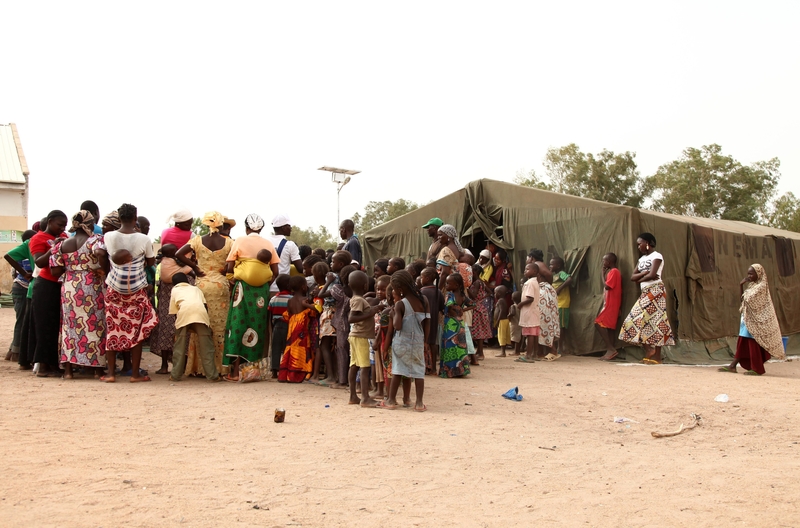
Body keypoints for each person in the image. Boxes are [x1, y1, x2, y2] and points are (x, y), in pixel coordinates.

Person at [99, 203, 158, 382]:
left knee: (113, 328)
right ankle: (134, 374)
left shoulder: (108, 236)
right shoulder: (143, 239)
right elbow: (150, 262)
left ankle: (110, 374)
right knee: (137, 331)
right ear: (135, 218)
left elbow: (102, 255)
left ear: (119, 218)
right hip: (136, 289)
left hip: (114, 288)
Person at [49, 211, 107, 379]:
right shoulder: (95, 240)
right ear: (90, 224)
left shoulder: (61, 244)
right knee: (95, 325)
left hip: (69, 287)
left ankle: (68, 371)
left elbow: (55, 271)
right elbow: (102, 254)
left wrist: (72, 268)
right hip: (91, 285)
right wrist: (103, 269)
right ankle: (97, 369)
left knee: (69, 327)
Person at [176, 211, 234, 376]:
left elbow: (178, 254)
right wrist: (224, 270)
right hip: (220, 286)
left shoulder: (197, 241)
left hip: (201, 285)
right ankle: (220, 367)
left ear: (206, 224)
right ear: (221, 224)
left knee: (201, 324)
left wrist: (195, 267)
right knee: (220, 327)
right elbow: (232, 263)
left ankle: (200, 367)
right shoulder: (229, 242)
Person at [222, 214, 279, 381]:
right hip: (260, 292)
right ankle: (252, 372)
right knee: (257, 327)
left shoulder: (239, 241)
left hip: (242, 289)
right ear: (261, 228)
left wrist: (232, 280)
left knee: (238, 325)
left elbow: (230, 266)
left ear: (247, 228)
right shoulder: (268, 244)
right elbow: (275, 272)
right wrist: (264, 283)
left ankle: (234, 373)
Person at [619, 233, 675, 364]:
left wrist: (642, 277)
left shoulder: (657, 256)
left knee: (658, 320)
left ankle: (657, 356)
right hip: (645, 291)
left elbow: (653, 274)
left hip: (656, 290)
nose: (638, 246)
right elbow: (633, 277)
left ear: (648, 243)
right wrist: (644, 274)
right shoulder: (641, 259)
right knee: (634, 320)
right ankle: (650, 350)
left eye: (640, 243)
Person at [719, 264, 785, 375]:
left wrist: (745, 292)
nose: (749, 276)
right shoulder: (752, 285)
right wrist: (741, 286)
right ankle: (733, 366)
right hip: (747, 319)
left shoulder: (761, 286)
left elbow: (750, 300)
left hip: (755, 321)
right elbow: (743, 300)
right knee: (743, 343)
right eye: (748, 273)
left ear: (758, 274)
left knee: (751, 343)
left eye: (751, 273)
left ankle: (757, 368)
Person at [379, 270, 429, 411]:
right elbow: (427, 323)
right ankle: (419, 403)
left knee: (398, 371)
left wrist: (394, 313)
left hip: (401, 343)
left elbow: (398, 326)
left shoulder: (400, 304)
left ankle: (390, 401)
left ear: (399, 289)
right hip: (419, 341)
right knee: (419, 372)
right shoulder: (423, 300)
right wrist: (425, 342)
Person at [27, 210, 69, 377]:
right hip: (45, 286)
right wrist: (53, 249)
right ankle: (43, 366)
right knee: (44, 326)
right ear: (50, 221)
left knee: (55, 328)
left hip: (60, 285)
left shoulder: (64, 236)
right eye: (59, 224)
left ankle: (53, 364)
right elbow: (39, 261)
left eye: (64, 225)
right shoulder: (38, 238)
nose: (62, 228)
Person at [149, 243, 195, 374]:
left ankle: (165, 366)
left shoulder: (163, 264)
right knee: (184, 330)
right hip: (178, 304)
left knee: (167, 331)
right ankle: (183, 367)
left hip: (166, 304)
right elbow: (192, 272)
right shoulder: (180, 266)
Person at [167, 272, 221, 382]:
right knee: (207, 347)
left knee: (179, 348)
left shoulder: (175, 290)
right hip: (200, 315)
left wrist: (178, 329)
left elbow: (174, 311)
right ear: (187, 281)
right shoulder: (196, 289)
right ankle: (212, 376)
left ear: (174, 283)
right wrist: (207, 325)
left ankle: (175, 375)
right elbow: (204, 305)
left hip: (183, 314)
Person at [347, 270, 380, 406]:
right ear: (366, 286)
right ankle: (365, 398)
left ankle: (353, 396)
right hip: (360, 337)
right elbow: (352, 318)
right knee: (365, 367)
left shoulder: (356, 299)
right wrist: (372, 311)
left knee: (354, 365)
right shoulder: (359, 300)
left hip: (356, 336)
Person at [278, 275, 319, 383]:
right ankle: (300, 371)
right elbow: (314, 312)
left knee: (290, 347)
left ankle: (286, 373)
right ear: (303, 287)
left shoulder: (290, 301)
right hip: (302, 329)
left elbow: (288, 315)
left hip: (291, 329)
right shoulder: (305, 300)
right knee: (302, 348)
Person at [4, 230, 35, 362]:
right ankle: (16, 352)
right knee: (22, 320)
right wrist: (26, 274)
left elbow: (13, 274)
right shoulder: (28, 256)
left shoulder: (20, 254)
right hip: (23, 289)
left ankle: (12, 350)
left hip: (17, 287)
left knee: (21, 320)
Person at [440, 273, 472, 378]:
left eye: (449, 283)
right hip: (460, 323)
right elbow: (473, 304)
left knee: (449, 347)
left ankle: (449, 371)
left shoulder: (449, 295)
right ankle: (460, 371)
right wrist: (461, 309)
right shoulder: (463, 296)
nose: (446, 285)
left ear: (457, 285)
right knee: (460, 347)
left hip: (450, 324)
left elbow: (447, 307)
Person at [529, 249, 560, 358]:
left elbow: (548, 274)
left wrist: (546, 285)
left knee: (543, 322)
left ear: (532, 258)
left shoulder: (537, 264)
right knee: (541, 322)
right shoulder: (538, 265)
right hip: (544, 292)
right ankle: (540, 352)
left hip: (544, 294)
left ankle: (553, 351)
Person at [596, 253, 623, 361]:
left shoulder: (614, 272)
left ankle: (611, 349)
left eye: (604, 261)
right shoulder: (614, 272)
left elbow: (607, 286)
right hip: (611, 303)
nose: (603, 263)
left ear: (609, 262)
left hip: (611, 304)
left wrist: (602, 274)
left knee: (598, 323)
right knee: (610, 328)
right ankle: (610, 352)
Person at [267, 215, 303, 293]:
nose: (291, 228)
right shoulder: (290, 245)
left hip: (265, 287)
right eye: (289, 226)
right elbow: (300, 268)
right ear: (283, 227)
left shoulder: (264, 242)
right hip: (281, 289)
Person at [516, 262, 542, 363]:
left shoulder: (530, 283)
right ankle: (535, 354)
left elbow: (530, 298)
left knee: (530, 334)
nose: (524, 271)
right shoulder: (534, 282)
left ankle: (528, 355)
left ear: (534, 271)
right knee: (534, 333)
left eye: (527, 269)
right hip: (534, 311)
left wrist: (521, 304)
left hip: (529, 311)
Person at [419, 267, 443, 374]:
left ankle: (422, 367)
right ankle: (433, 368)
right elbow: (442, 307)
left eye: (421, 276)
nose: (420, 278)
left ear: (427, 278)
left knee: (422, 343)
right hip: (433, 321)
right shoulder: (438, 291)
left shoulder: (422, 292)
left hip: (422, 321)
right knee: (432, 343)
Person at [268, 274, 293, 378]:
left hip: (277, 326)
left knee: (276, 348)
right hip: (289, 326)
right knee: (288, 347)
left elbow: (270, 314)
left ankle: (274, 370)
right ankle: (287, 368)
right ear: (289, 285)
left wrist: (271, 326)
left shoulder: (274, 299)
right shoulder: (292, 299)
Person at [469, 263, 493, 359]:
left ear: (474, 272)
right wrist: (482, 298)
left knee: (478, 332)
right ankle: (479, 351)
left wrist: (466, 289)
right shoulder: (481, 282)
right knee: (481, 331)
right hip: (481, 307)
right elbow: (489, 292)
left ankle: (481, 353)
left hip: (477, 308)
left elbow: (474, 296)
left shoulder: (476, 283)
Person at [550, 257, 573, 358]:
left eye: (552, 264)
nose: (550, 266)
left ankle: (560, 348)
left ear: (558, 266)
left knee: (561, 327)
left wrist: (560, 288)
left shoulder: (561, 274)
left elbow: (569, 279)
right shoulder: (553, 276)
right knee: (555, 326)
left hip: (562, 304)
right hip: (555, 305)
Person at [493, 286, 510, 357]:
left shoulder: (501, 300)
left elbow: (502, 311)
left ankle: (503, 352)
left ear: (499, 293)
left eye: (495, 293)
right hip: (503, 320)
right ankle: (503, 351)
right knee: (502, 336)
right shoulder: (502, 300)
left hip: (502, 321)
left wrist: (497, 321)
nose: (494, 295)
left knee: (502, 336)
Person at [508, 291, 523, 355]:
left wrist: (508, 316)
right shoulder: (521, 306)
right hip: (520, 323)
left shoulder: (513, 306)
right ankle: (518, 350)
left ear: (512, 298)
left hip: (514, 324)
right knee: (518, 338)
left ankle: (516, 351)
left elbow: (512, 313)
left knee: (515, 338)